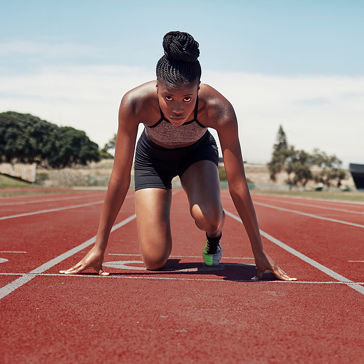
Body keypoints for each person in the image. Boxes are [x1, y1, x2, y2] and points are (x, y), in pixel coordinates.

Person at [60, 31, 296, 281]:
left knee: (208, 218)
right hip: (152, 160)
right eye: (168, 97)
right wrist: (99, 249)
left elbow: (238, 185)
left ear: (199, 89)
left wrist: (258, 252)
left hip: (196, 154)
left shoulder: (220, 109)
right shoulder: (134, 103)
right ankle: (176, 222)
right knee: (154, 260)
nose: (177, 108)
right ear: (156, 87)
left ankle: (214, 235)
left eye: (187, 98)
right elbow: (119, 179)